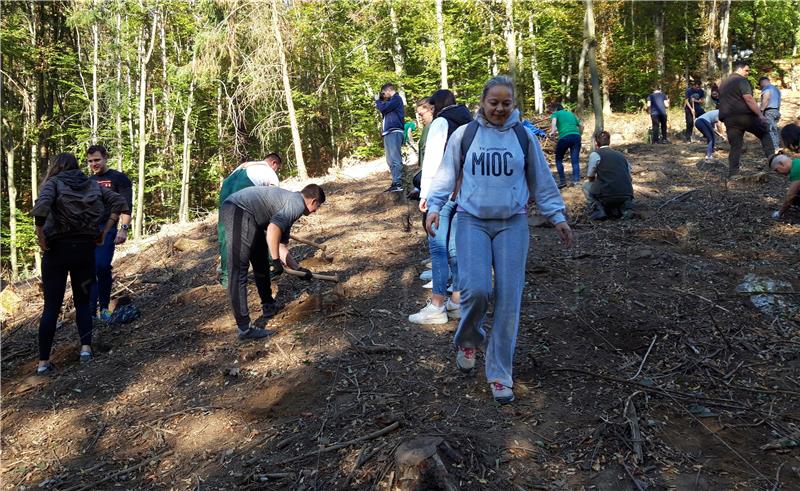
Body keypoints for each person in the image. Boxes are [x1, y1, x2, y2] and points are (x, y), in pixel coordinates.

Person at [426, 76, 573, 404]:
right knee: (477, 290)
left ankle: (499, 373)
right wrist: (434, 207)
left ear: (513, 104)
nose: (500, 109)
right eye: (494, 102)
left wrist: (557, 217)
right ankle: (468, 339)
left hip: (512, 225)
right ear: (483, 101)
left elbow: (542, 180)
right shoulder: (466, 135)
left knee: (509, 300)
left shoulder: (523, 137)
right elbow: (446, 174)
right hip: (470, 221)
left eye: (506, 103)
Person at [31, 153, 129, 374]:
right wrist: (104, 232)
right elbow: (119, 202)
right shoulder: (91, 184)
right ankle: (86, 348)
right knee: (83, 302)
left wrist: (40, 236)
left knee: (51, 306)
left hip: (57, 251)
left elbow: (41, 207)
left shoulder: (53, 182)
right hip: (85, 250)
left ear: (56, 166)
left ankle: (43, 362)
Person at [221, 184, 324, 340]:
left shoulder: (291, 204)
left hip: (251, 217)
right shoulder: (296, 203)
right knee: (238, 269)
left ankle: (268, 305)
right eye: (318, 206)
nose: (316, 211)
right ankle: (245, 329)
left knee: (261, 262)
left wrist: (298, 269)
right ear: (313, 201)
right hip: (237, 209)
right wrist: (275, 260)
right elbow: (273, 229)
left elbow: (281, 245)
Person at [410, 89, 472, 324]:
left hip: (443, 192)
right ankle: (456, 301)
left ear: (436, 106)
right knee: (456, 249)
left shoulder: (441, 123)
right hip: (463, 193)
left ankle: (437, 306)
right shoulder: (468, 121)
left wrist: (426, 195)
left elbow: (435, 161)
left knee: (438, 248)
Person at [217, 153, 282, 297]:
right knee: (261, 229)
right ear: (274, 163)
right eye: (278, 168)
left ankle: (226, 277)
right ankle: (271, 266)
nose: (277, 171)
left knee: (226, 232)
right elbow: (274, 203)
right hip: (245, 189)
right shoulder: (269, 172)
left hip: (226, 188)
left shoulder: (244, 166)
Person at [86, 145, 132, 321]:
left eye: (97, 160)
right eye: (90, 161)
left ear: (105, 158)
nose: (94, 164)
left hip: (108, 228)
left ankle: (104, 308)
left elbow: (126, 206)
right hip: (88, 231)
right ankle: (90, 311)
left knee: (102, 266)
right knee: (89, 269)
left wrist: (124, 229)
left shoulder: (119, 178)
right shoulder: (87, 181)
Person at [718, 60, 775, 177]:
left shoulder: (723, 83)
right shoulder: (741, 80)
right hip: (744, 116)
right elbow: (748, 98)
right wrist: (760, 116)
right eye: (746, 70)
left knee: (735, 146)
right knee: (765, 132)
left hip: (728, 119)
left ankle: (733, 173)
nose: (747, 73)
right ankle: (774, 163)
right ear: (739, 69)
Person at [584, 131, 634, 220]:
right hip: (626, 194)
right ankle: (626, 208)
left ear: (596, 143)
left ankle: (599, 210)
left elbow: (590, 176)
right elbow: (629, 175)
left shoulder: (596, 154)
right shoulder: (621, 155)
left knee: (586, 186)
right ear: (609, 141)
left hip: (607, 195)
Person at [375, 83, 405, 192]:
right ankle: (395, 182)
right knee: (390, 160)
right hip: (388, 132)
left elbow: (383, 108)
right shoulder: (390, 102)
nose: (382, 96)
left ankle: (398, 183)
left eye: (383, 93)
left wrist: (377, 100)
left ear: (388, 91)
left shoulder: (396, 99)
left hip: (394, 131)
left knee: (395, 158)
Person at [548, 102, 583, 188]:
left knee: (559, 160)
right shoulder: (570, 114)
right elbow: (581, 125)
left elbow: (554, 122)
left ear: (555, 109)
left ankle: (563, 181)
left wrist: (552, 132)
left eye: (552, 111)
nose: (552, 112)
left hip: (564, 138)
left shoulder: (556, 114)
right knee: (575, 160)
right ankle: (576, 181)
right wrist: (579, 134)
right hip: (576, 137)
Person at [768, 153, 800, 219]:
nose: (778, 173)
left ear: (781, 164)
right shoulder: (797, 162)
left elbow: (790, 196)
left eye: (777, 170)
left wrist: (779, 213)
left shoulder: (796, 170)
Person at [759, 76, 782, 149]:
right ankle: (777, 146)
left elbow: (767, 98)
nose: (760, 87)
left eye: (760, 84)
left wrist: (761, 110)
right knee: (774, 129)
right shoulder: (776, 89)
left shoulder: (767, 88)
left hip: (769, 111)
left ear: (762, 82)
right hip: (776, 111)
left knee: (770, 130)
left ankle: (775, 148)